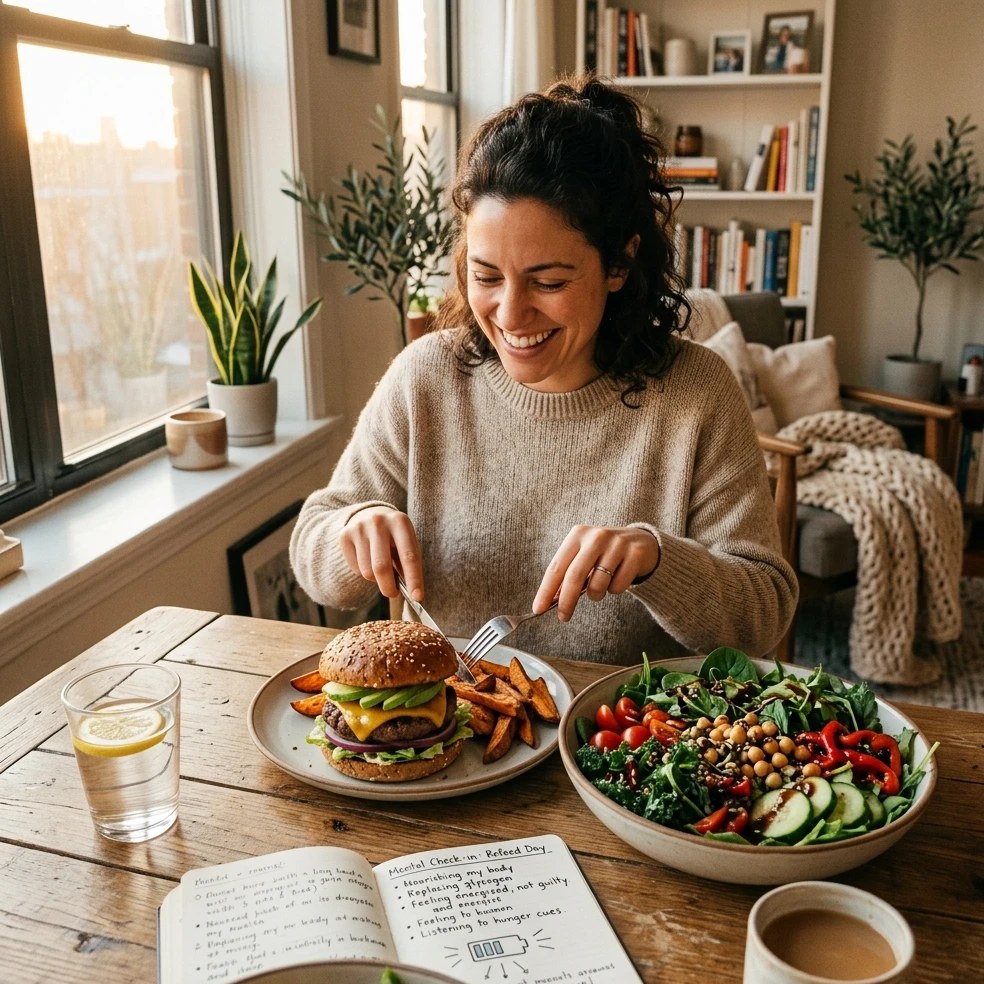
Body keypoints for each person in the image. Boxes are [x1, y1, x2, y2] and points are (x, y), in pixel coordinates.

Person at [290, 74, 798, 665]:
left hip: (618, 741)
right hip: (447, 735)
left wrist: (658, 561)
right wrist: (354, 525)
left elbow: (763, 615)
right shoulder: (426, 377)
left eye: (548, 282)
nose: (509, 314)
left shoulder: (696, 393)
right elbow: (313, 548)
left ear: (620, 262)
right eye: (485, 276)